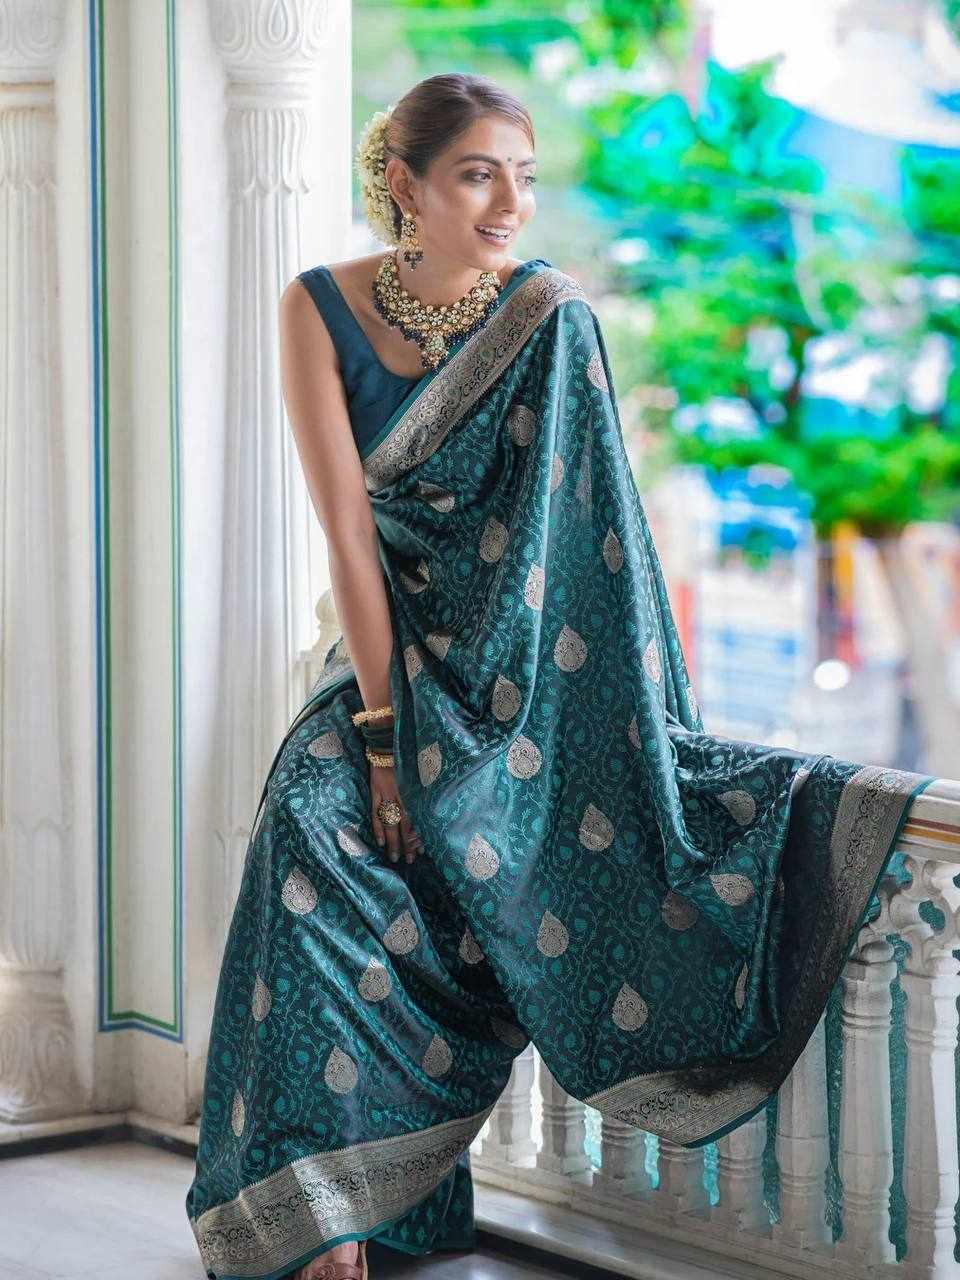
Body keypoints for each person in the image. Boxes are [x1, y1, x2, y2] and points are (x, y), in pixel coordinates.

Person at [184, 71, 934, 1280]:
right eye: (478, 175)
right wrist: (382, 739)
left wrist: (510, 732)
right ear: (404, 183)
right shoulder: (316, 306)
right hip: (388, 668)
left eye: (522, 178)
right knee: (310, 830)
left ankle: (385, 1196)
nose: (508, 205)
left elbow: (592, 555)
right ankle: (322, 1211)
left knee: (487, 844)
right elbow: (350, 541)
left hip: (529, 686)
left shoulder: (549, 320)